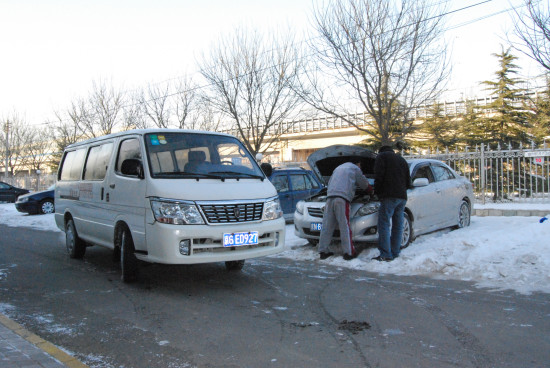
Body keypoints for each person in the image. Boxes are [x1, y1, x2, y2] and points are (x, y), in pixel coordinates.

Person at [318, 159, 371, 261]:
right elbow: (364, 184)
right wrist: (370, 190)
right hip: (342, 199)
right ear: (357, 163)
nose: (361, 167)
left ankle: (323, 251)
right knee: (344, 226)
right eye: (360, 165)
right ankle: (349, 253)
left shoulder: (338, 168)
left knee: (327, 225)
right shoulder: (355, 168)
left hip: (330, 198)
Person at [373, 145, 411, 261]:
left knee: (384, 224)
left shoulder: (381, 157)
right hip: (402, 197)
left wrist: (377, 192)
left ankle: (385, 254)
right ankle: (395, 252)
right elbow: (408, 182)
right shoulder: (402, 160)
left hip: (389, 196)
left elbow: (378, 176)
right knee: (398, 225)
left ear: (381, 151)